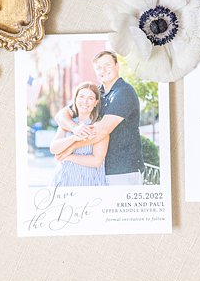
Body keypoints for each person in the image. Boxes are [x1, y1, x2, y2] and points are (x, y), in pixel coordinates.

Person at [55, 50, 145, 184]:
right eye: (99, 67)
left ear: (117, 65)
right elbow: (61, 115)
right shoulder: (97, 94)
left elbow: (101, 131)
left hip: (124, 170)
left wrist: (69, 149)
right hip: (102, 171)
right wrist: (74, 128)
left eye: (107, 65)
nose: (103, 70)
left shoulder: (124, 93)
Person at [48, 82, 108, 187]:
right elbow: (54, 149)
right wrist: (74, 137)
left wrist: (68, 157)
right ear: (75, 99)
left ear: (96, 103)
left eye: (90, 98)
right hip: (63, 180)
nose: (85, 101)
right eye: (81, 96)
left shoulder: (98, 127)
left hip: (88, 182)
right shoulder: (67, 123)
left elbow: (96, 161)